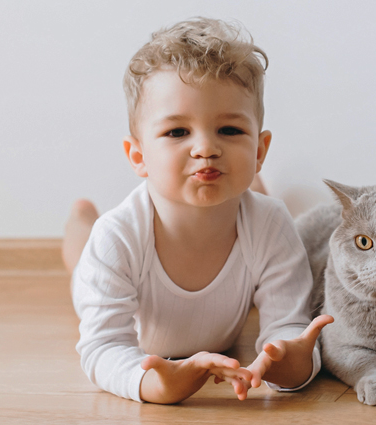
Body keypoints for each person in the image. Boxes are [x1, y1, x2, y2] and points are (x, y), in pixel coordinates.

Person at [64, 17, 333, 404]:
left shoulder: (271, 223)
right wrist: (152, 385)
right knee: (83, 262)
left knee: (254, 203)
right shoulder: (117, 237)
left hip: (246, 211)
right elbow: (103, 346)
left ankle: (250, 185)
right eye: (177, 132)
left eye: (229, 130)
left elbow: (287, 325)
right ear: (138, 156)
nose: (205, 147)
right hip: (111, 263)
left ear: (259, 151)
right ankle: (81, 215)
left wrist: (290, 361)